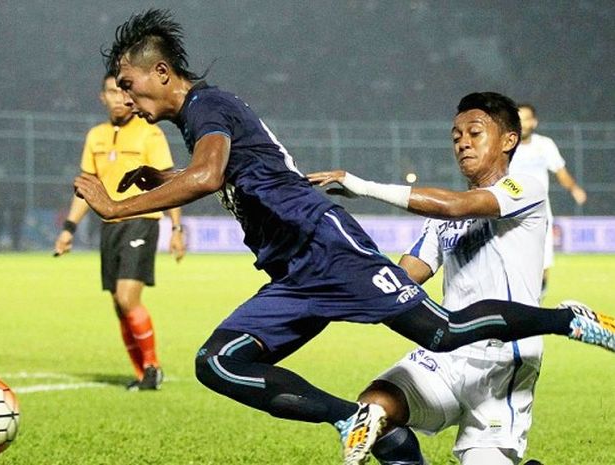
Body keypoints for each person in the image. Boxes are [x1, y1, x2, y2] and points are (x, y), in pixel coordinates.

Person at [73, 10, 615, 465]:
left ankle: (568, 318)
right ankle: (349, 417)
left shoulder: (207, 107)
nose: (124, 96)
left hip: (324, 245)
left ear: (161, 73)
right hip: (293, 273)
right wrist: (166, 178)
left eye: (128, 83)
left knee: (442, 332)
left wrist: (118, 207)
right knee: (218, 363)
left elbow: (210, 175)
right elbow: (228, 170)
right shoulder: (202, 118)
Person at [308, 93, 550, 465]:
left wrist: (364, 186)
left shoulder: (525, 188)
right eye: (455, 137)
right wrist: (335, 269)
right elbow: (404, 277)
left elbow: (458, 205)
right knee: (375, 410)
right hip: (448, 351)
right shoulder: (440, 219)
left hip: (501, 361)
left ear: (508, 140)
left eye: (474, 133)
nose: (463, 143)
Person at [54, 72, 186, 391]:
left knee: (128, 297)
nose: (118, 98)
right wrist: (69, 229)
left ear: (130, 96)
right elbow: (86, 188)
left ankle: (153, 367)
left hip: (142, 219)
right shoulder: (96, 136)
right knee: (118, 303)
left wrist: (177, 227)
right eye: (111, 92)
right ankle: (142, 374)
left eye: (122, 92)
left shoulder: (149, 134)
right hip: (109, 224)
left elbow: (168, 183)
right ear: (103, 97)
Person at [510, 103, 587, 297]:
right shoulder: (507, 145)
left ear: (534, 122)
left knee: (544, 258)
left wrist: (574, 188)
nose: (522, 124)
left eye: (526, 119)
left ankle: (539, 295)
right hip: (510, 210)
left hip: (540, 211)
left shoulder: (544, 144)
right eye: (518, 119)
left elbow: (560, 171)